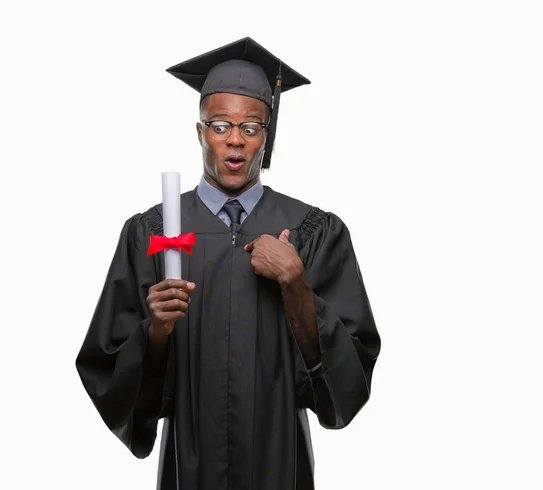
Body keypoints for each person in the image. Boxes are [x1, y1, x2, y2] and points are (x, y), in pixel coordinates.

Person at [76, 37, 381, 490]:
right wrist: (154, 333)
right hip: (190, 467)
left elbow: (351, 377)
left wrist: (295, 284)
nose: (235, 140)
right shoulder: (153, 233)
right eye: (219, 126)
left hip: (281, 465)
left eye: (251, 126)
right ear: (200, 132)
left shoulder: (314, 231)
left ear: (266, 135)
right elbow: (106, 368)